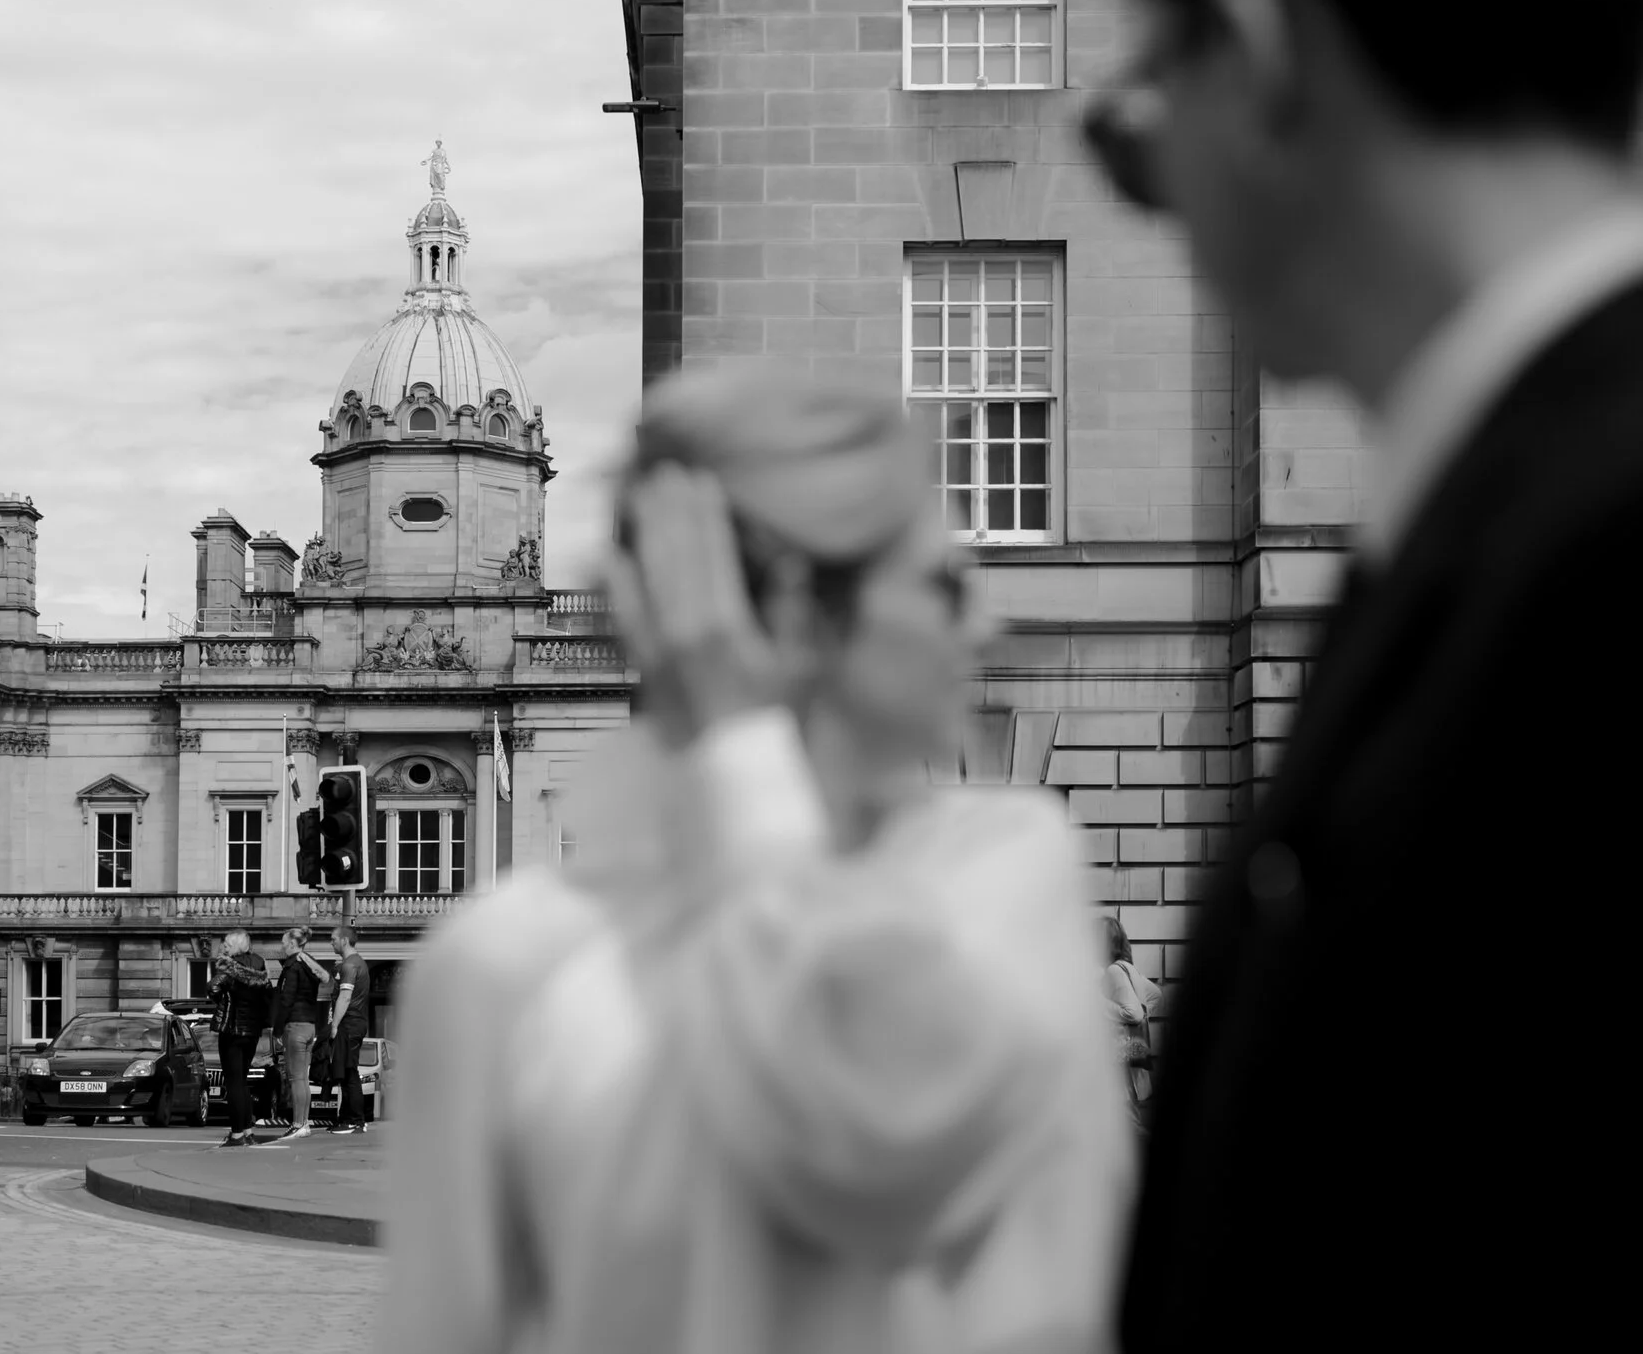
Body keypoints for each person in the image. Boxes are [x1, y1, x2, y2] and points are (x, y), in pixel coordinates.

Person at [1080, 0, 1643, 1347]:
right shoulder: (1490, 516)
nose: (1155, 187)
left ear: (1255, 57)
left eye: (1137, 117)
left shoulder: (1583, 547)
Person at [379, 374, 1129, 1354]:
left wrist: (735, 731)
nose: (981, 622)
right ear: (785, 606)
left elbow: (879, 1126)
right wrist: (740, 719)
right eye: (941, 581)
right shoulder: (498, 965)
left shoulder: (1004, 864)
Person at [267, 925, 331, 1143]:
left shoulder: (292, 967)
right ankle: (304, 1123)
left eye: (284, 942)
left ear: (293, 943)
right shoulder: (308, 964)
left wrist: (277, 1029)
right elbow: (325, 979)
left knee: (295, 1078)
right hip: (310, 1025)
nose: (282, 945)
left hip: (294, 1025)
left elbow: (286, 1000)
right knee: (303, 1078)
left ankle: (297, 1124)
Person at [208, 930, 271, 1147]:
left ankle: (236, 1134)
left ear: (235, 945)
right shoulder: (259, 964)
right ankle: (248, 1130)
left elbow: (212, 987)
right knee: (242, 1081)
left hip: (232, 1031)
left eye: (226, 943)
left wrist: (223, 999)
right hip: (252, 1031)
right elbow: (267, 995)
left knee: (233, 1083)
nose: (223, 946)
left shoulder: (230, 966)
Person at [1101, 918, 1159, 1126]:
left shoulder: (1113, 971)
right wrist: (1141, 1016)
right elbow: (1155, 994)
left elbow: (1132, 1013)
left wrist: (1102, 1004)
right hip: (1130, 1052)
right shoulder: (1126, 967)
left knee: (1126, 1123)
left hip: (1120, 1055)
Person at [326, 924, 372, 1133]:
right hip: (357, 1022)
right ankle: (348, 1119)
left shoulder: (350, 965)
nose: (331, 942)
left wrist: (334, 1025)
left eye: (334, 939)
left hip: (349, 1023)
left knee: (349, 1071)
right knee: (345, 1070)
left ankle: (355, 1120)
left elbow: (345, 997)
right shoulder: (357, 963)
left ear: (344, 940)